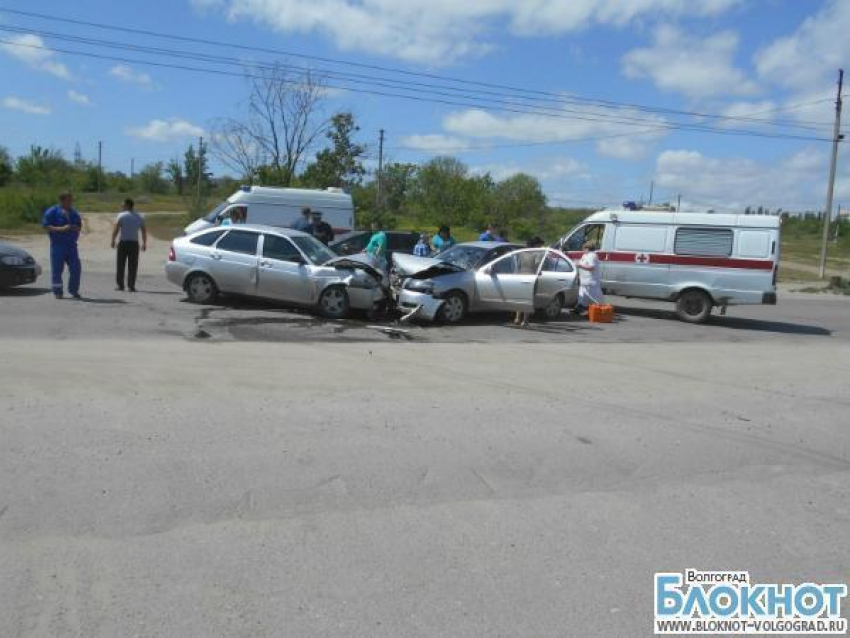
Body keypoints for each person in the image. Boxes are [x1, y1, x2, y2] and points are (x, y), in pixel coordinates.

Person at [42, 191, 83, 299]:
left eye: (71, 200)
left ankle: (74, 290)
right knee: (57, 270)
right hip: (57, 246)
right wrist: (60, 229)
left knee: (76, 269)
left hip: (72, 246)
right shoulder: (52, 211)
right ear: (62, 200)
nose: (71, 202)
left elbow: (79, 225)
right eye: (69, 200)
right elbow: (46, 226)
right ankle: (58, 292)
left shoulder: (73, 212)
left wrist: (75, 227)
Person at [111, 198, 147, 292]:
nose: (122, 206)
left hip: (123, 242)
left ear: (127, 205)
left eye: (123, 204)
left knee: (120, 265)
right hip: (134, 243)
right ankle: (131, 286)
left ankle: (120, 285)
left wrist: (113, 240)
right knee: (133, 265)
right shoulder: (139, 216)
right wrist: (144, 243)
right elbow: (143, 230)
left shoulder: (121, 215)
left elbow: (116, 228)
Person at [514, 236, 545, 327]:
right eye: (540, 245)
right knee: (529, 299)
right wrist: (539, 272)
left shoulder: (522, 252)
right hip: (531, 277)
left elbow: (517, 264)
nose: (540, 247)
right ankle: (525, 321)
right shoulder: (537, 253)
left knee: (520, 298)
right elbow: (537, 265)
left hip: (521, 275)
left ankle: (517, 317)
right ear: (536, 245)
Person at [576, 241, 604, 315]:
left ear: (587, 248)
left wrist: (580, 266)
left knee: (594, 299)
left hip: (591, 281)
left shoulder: (592, 255)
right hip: (584, 281)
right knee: (582, 298)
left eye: (583, 248)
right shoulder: (585, 255)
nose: (582, 250)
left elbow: (591, 267)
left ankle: (597, 313)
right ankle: (580, 310)